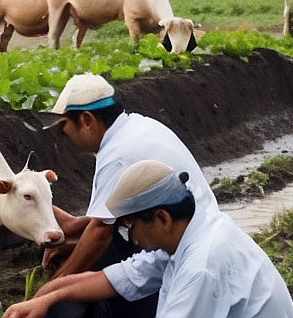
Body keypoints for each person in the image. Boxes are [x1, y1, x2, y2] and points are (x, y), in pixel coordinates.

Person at [23, 74, 215, 317]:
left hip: (177, 250)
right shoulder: (136, 127)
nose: (66, 138)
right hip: (193, 232)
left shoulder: (118, 154)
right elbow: (100, 221)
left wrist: (47, 293)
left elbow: (101, 232)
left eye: (65, 129)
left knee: (86, 257)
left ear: (86, 120)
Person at [3, 160, 293, 318]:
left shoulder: (201, 268)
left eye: (129, 225)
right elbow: (114, 278)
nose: (130, 236)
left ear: (162, 219)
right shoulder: (186, 234)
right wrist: (44, 299)